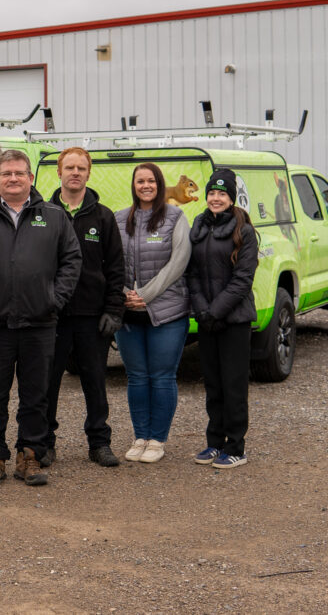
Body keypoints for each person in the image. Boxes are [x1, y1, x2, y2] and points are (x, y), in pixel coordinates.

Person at [0, 149, 81, 487]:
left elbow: (71, 260)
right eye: (7, 174)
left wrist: (54, 299)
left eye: (20, 173)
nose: (14, 179)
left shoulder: (53, 216)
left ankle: (30, 455)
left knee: (36, 394)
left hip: (40, 323)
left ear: (31, 178)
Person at [44, 147, 125, 469]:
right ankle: (44, 444)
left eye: (81, 168)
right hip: (53, 316)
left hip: (93, 317)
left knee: (95, 382)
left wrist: (114, 310)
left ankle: (99, 443)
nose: (75, 173)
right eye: (69, 167)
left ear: (89, 173)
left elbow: (117, 267)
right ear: (59, 172)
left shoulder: (103, 217)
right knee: (47, 384)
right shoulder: (44, 212)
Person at [114, 163, 191, 464]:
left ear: (159, 184)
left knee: (161, 377)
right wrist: (125, 295)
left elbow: (179, 261)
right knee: (136, 377)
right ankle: (140, 436)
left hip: (166, 311)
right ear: (133, 185)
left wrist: (145, 295)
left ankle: (157, 439)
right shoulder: (120, 218)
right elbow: (110, 262)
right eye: (140, 181)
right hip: (128, 312)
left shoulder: (175, 217)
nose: (145, 186)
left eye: (151, 181)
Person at [186, 169, 258, 469]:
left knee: (234, 385)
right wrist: (203, 311)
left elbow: (243, 280)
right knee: (213, 385)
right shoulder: (199, 225)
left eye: (222, 194)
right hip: (207, 320)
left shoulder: (245, 231)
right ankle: (214, 443)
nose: (216, 199)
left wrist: (215, 312)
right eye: (212, 193)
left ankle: (236, 446)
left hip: (234, 321)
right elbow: (191, 273)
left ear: (231, 198)